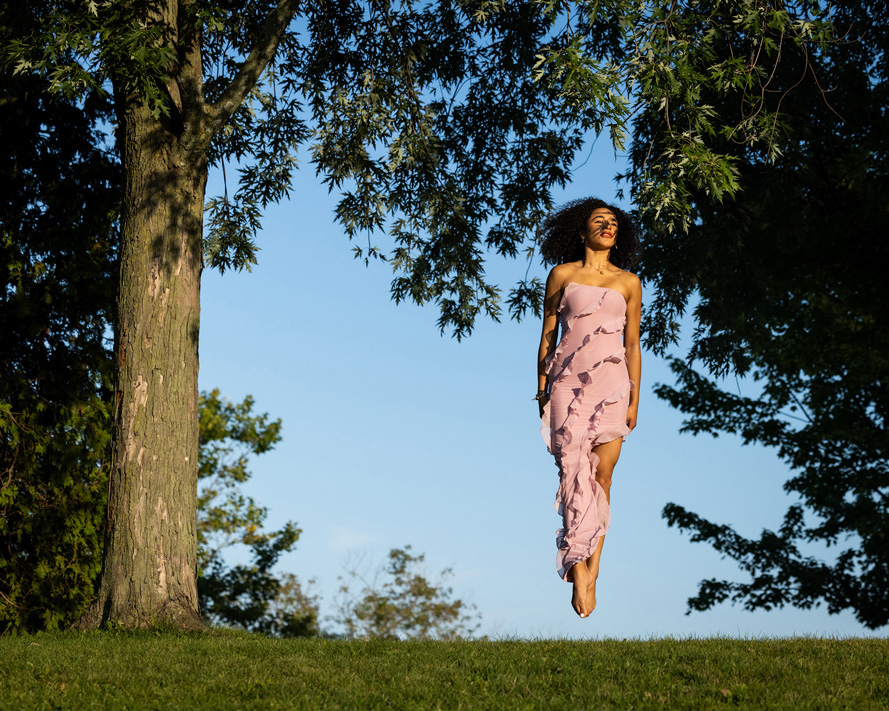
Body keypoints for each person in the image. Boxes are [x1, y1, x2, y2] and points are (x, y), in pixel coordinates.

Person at [535, 197, 642, 618]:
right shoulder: (562, 275)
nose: (608, 226)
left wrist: (636, 397)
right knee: (573, 474)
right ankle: (577, 563)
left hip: (613, 386)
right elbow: (546, 337)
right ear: (582, 232)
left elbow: (632, 344)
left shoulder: (629, 283)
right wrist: (540, 389)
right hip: (566, 387)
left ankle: (591, 570)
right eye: (600, 221)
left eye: (613, 222)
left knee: (603, 476)